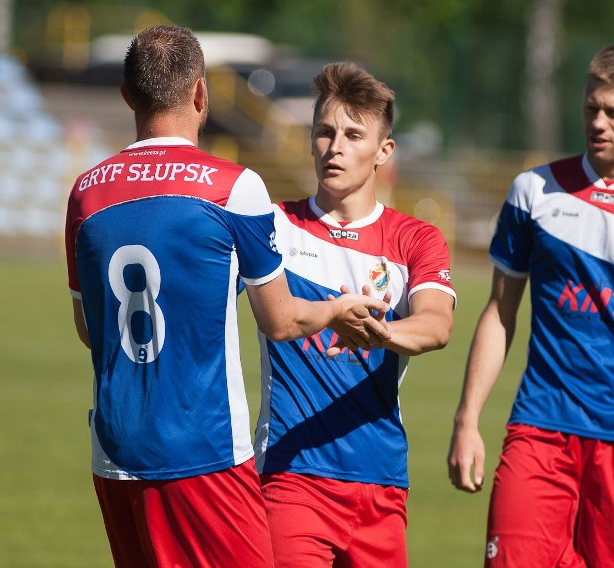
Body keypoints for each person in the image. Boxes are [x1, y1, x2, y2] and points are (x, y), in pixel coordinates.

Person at [64, 26, 391, 568]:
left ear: (127, 97)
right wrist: (336, 307)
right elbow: (282, 320)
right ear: (200, 95)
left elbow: (87, 327)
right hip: (204, 453)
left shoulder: (87, 191)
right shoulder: (232, 187)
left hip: (114, 453)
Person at [447, 44, 614, 566]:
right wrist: (467, 420)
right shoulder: (534, 191)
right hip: (538, 429)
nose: (598, 122)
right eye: (590, 108)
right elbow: (500, 312)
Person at [253, 61, 456, 567]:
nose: (335, 146)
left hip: (381, 483)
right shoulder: (273, 225)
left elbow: (436, 324)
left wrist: (379, 332)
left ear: (384, 151)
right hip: (290, 474)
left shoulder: (416, 239)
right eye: (324, 132)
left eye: (352, 134)